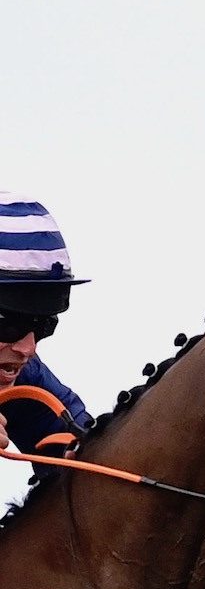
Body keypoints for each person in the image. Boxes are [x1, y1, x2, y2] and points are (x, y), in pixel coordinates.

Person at [0, 191, 93, 455]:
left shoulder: (27, 377)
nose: (28, 349)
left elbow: (78, 445)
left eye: (43, 326)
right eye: (9, 324)